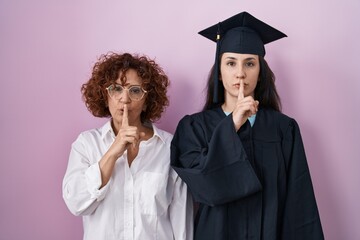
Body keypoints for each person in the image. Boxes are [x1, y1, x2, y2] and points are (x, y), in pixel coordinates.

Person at [170, 12, 324, 239]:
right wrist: (232, 124)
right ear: (220, 74)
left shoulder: (283, 129)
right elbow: (204, 183)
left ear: (260, 73)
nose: (240, 73)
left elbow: (299, 204)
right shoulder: (194, 128)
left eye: (250, 63)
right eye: (231, 63)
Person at [63, 52, 193, 240]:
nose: (124, 99)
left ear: (147, 101)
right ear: (105, 96)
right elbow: (76, 203)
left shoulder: (169, 148)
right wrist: (112, 152)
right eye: (116, 89)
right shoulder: (86, 144)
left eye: (135, 90)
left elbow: (181, 221)